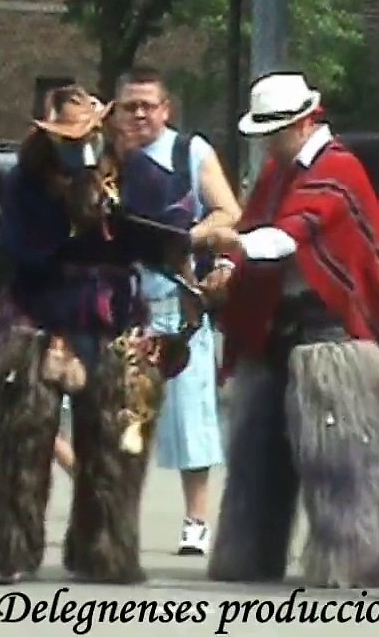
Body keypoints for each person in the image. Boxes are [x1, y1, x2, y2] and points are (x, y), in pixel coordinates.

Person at [0, 85, 199, 585]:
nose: (79, 145)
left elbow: (170, 233)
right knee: (19, 433)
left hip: (115, 313)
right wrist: (69, 207)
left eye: (88, 134)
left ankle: (107, 550)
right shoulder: (26, 181)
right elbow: (20, 246)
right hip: (40, 308)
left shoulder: (138, 174)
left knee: (122, 438)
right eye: (67, 136)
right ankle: (7, 550)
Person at [203, 72, 379, 588]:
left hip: (329, 335)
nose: (270, 143)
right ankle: (249, 554)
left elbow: (291, 234)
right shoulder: (277, 173)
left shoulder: (338, 171)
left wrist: (233, 246)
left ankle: (349, 560)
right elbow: (255, 229)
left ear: (305, 121)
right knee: (256, 458)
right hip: (274, 331)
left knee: (338, 464)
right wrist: (227, 270)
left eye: (278, 130)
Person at [113, 66, 240, 555]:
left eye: (148, 105)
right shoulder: (108, 162)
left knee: (192, 419)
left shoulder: (190, 151)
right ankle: (120, 519)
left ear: (166, 109)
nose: (140, 114)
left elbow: (229, 211)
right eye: (130, 106)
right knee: (128, 422)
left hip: (178, 307)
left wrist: (189, 238)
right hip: (126, 308)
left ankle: (196, 523)